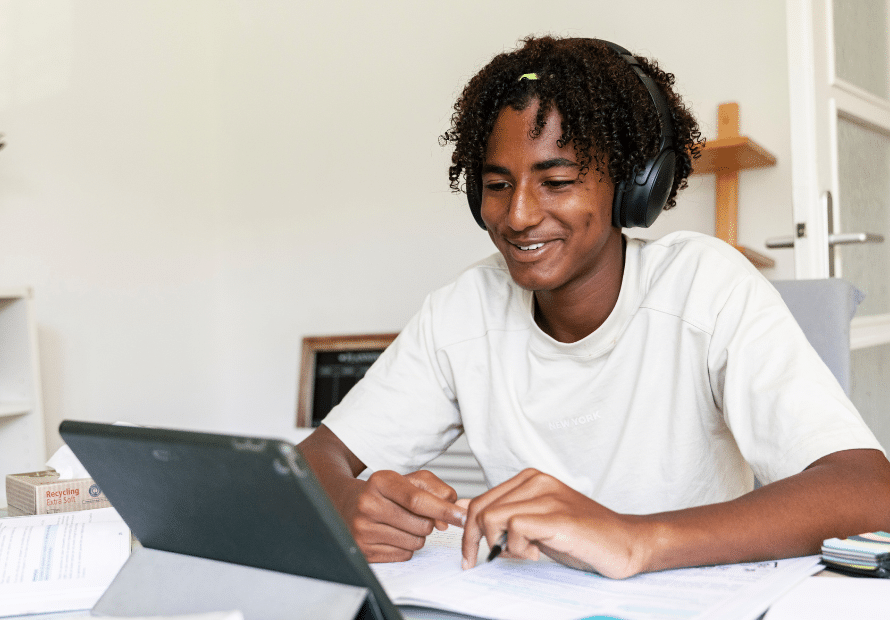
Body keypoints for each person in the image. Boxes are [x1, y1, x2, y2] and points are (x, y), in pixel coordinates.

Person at [298, 36, 890, 579]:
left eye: (556, 182)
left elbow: (868, 489)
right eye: (498, 185)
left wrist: (633, 539)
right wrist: (347, 502)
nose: (518, 215)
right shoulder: (463, 311)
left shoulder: (705, 287)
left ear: (634, 186)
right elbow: (313, 459)